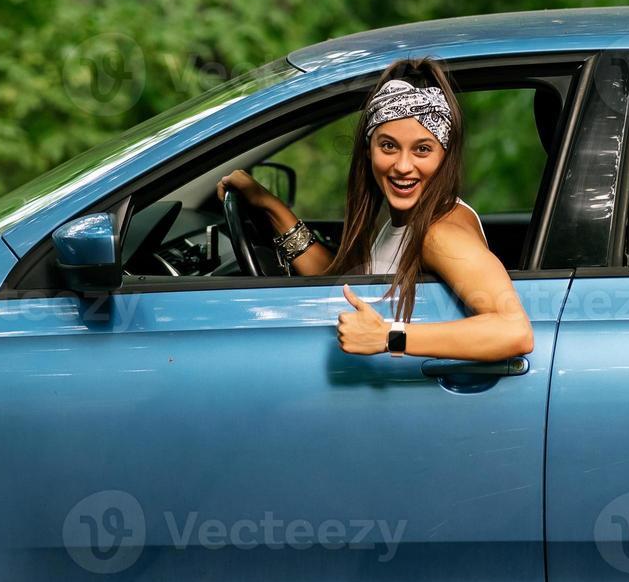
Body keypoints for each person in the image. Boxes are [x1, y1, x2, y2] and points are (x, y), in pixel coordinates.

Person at [216, 57, 535, 362]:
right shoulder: (401, 214)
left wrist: (389, 337)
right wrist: (269, 204)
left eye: (422, 149)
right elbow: (339, 282)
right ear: (369, 149)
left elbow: (513, 330)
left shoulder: (439, 234)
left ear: (444, 154)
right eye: (389, 146)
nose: (403, 166)